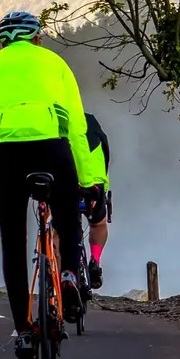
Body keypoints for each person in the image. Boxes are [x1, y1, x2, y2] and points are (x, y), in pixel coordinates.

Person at [0, 10, 101, 359]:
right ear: (37, 37)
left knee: (12, 242)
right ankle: (71, 276)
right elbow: (76, 127)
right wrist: (88, 181)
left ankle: (24, 332)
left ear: (3, 41)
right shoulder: (55, 63)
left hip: (7, 157)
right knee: (68, 222)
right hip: (52, 150)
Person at [79, 111, 112, 290]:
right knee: (98, 224)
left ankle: (63, 275)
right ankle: (95, 261)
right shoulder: (91, 121)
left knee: (59, 230)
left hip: (65, 179)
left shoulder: (53, 122)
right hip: (95, 181)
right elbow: (105, 153)